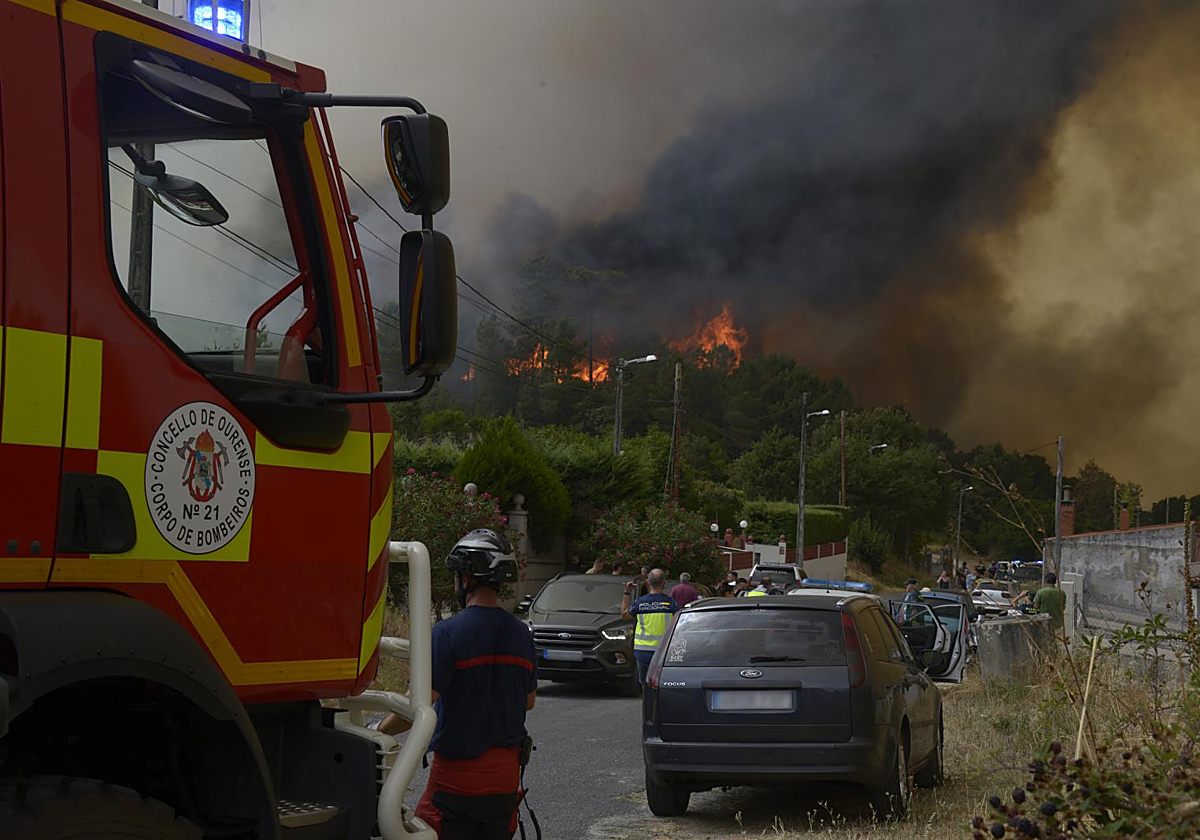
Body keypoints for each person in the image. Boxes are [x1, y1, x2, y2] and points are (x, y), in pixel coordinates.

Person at [376, 529, 536, 839]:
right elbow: (528, 702)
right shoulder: (522, 634)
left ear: (465, 578)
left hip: (455, 784)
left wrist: (378, 730)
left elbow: (415, 708)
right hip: (504, 783)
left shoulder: (447, 634)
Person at [621, 569, 679, 684]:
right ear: (664, 583)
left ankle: (647, 701)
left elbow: (624, 615)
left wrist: (627, 592)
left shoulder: (640, 603)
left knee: (645, 683)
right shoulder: (671, 604)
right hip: (663, 651)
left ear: (648, 582)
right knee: (661, 683)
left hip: (643, 651)